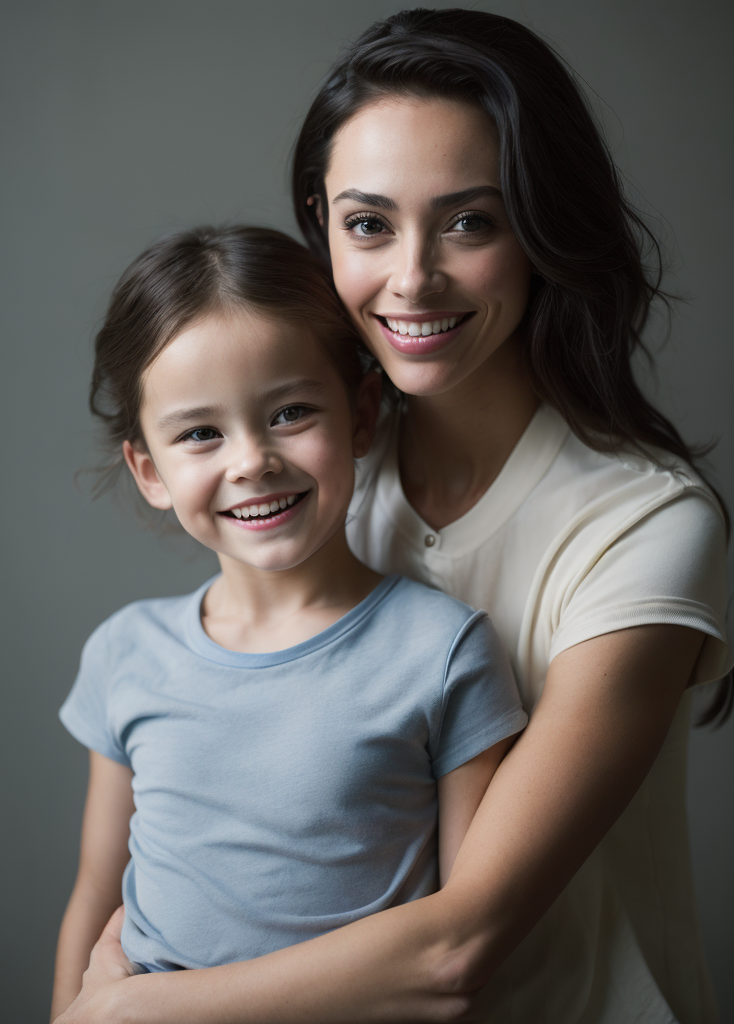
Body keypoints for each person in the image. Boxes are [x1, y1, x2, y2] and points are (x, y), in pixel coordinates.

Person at [54, 9, 732, 1024]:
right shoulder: (314, 481)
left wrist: (125, 1013)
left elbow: (458, 943)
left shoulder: (644, 526)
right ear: (322, 222)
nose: (412, 276)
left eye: (472, 221)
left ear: (542, 229)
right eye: (369, 223)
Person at [50, 224, 528, 1020]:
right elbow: (94, 898)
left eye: (291, 412)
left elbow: (459, 937)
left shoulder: (443, 651)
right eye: (201, 433)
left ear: (363, 414)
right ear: (149, 470)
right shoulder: (125, 653)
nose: (251, 462)